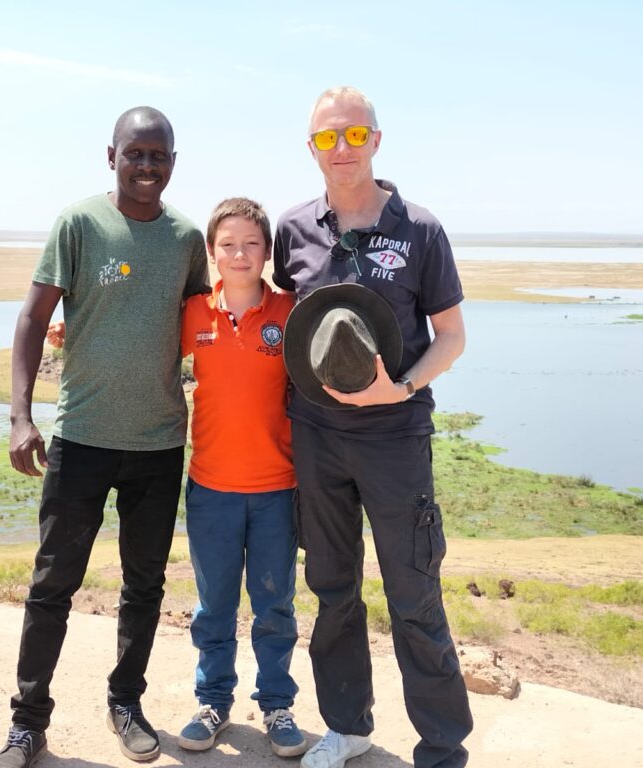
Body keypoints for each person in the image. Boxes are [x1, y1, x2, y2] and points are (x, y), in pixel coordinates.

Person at [0, 106, 209, 768]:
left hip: (159, 444)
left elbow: (202, 328)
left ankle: (126, 702)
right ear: (110, 156)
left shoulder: (186, 239)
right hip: (81, 438)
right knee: (52, 583)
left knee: (144, 586)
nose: (146, 165)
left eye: (158, 155)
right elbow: (32, 317)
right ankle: (28, 725)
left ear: (174, 162)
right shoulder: (79, 224)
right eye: (134, 153)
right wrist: (21, 415)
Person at [272, 86, 474, 768]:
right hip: (316, 437)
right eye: (328, 139)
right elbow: (282, 321)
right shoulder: (293, 228)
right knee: (331, 590)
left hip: (395, 438)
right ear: (312, 149)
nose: (342, 149)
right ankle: (347, 726)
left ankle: (442, 748)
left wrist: (404, 385)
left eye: (354, 135)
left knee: (414, 592)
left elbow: (451, 337)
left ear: (377, 141)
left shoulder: (420, 229)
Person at [175, 198, 306, 758]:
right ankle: (214, 702)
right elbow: (136, 350)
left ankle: (277, 706)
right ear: (211, 252)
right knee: (215, 607)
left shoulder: (291, 311)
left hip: (277, 488)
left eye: (252, 243)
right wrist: (71, 335)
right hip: (210, 489)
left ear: (267, 252)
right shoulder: (194, 314)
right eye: (227, 244)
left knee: (275, 606)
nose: (239, 253)